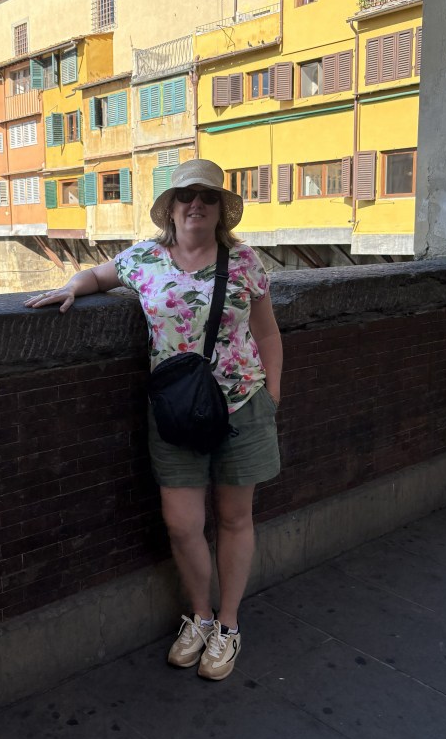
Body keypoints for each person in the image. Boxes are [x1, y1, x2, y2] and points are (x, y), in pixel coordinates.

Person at [25, 159, 282, 680]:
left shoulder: (246, 262)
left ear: (219, 210)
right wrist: (73, 287)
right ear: (170, 206)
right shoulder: (143, 258)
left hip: (241, 403)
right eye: (186, 195)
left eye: (207, 198)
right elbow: (97, 274)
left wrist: (272, 394)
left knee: (235, 518)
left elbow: (268, 333)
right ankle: (200, 616)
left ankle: (228, 626)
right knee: (182, 523)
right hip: (175, 410)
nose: (196, 205)